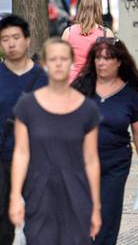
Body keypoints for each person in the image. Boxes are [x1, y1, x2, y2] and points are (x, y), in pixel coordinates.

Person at [9, 39, 101, 244]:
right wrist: (15, 196)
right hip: (39, 197)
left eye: (63, 59)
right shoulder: (27, 106)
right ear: (44, 65)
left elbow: (91, 159)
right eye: (53, 59)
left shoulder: (87, 110)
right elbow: (21, 153)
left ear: (72, 63)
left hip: (77, 197)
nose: (58, 64)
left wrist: (95, 206)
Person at [72, 38, 138, 245]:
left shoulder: (130, 95)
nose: (101, 63)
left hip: (115, 163)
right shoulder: (81, 88)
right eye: (98, 58)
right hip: (81, 163)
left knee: (108, 217)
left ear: (119, 62)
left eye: (107, 58)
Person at [0, 15, 47, 243]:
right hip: (2, 159)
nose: (11, 43)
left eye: (16, 37)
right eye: (5, 39)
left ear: (27, 40)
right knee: (3, 226)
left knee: (38, 222)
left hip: (37, 161)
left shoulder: (43, 80)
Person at [62, 0, 115, 83]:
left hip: (71, 84)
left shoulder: (68, 32)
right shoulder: (106, 34)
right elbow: (112, 62)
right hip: (96, 84)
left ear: (81, 8)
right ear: (99, 9)